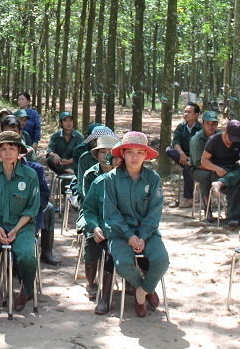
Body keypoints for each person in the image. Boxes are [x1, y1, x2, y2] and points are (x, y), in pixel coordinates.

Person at [103, 131, 168, 318]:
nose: (134, 157)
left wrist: (143, 236)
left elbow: (155, 212)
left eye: (140, 152)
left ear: (146, 155)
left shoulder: (153, 178)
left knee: (162, 260)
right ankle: (143, 287)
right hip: (120, 233)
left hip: (147, 232)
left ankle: (142, 291)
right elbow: (111, 213)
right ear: (122, 153)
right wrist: (129, 235)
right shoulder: (111, 179)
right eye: (130, 151)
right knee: (122, 264)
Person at [0, 131, 40, 313]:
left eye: (12, 147)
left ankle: (26, 289)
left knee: (27, 257)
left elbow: (31, 209)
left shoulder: (30, 175)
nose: (8, 152)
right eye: (3, 148)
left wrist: (16, 230)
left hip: (23, 225)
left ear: (19, 150)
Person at [76, 134, 120, 303]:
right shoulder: (90, 174)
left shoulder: (122, 174)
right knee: (92, 238)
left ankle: (132, 280)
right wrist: (95, 226)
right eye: (102, 152)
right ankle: (90, 282)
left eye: (110, 152)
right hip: (92, 213)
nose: (106, 155)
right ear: (97, 154)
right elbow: (89, 203)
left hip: (115, 218)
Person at [192, 119, 240, 226]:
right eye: (230, 137)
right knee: (234, 184)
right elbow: (204, 160)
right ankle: (234, 217)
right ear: (225, 130)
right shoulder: (214, 140)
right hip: (218, 171)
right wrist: (216, 168)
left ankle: (222, 183)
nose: (231, 141)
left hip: (234, 170)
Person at [165, 102, 202, 209]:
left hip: (196, 157)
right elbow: (176, 142)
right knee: (169, 150)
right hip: (182, 156)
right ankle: (188, 163)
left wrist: (192, 158)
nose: (186, 114)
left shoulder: (200, 128)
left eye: (189, 112)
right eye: (185, 112)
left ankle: (189, 199)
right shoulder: (181, 127)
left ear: (196, 115)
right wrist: (182, 154)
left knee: (187, 169)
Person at [46, 111, 84, 178]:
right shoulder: (55, 136)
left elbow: (81, 154)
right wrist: (55, 155)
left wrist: (69, 161)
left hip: (73, 164)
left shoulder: (79, 137)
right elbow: (49, 150)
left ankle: (68, 170)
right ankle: (69, 171)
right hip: (60, 163)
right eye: (65, 121)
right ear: (61, 123)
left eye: (70, 120)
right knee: (50, 159)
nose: (68, 123)